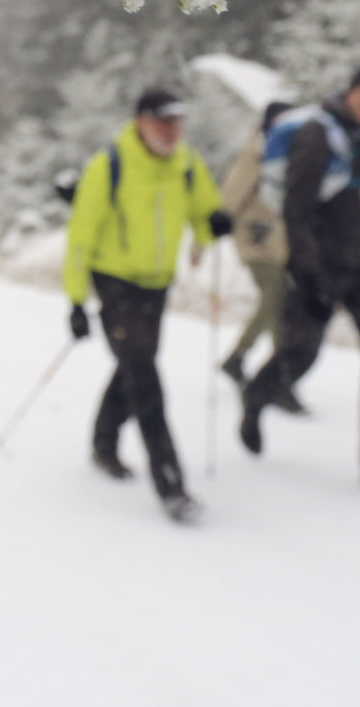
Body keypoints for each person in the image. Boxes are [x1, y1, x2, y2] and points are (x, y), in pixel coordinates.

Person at [238, 66, 360, 494]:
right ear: (351, 93)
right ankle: (256, 396)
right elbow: (297, 210)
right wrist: (309, 273)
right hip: (321, 266)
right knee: (299, 354)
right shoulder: (319, 136)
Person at [63, 86, 233, 524]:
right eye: (162, 120)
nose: (171, 130)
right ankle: (172, 485)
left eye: (176, 121)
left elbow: (204, 213)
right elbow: (80, 237)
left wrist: (215, 223)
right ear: (140, 121)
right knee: (145, 376)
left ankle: (103, 444)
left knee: (134, 366)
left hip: (156, 284)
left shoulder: (187, 166)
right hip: (114, 280)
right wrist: (77, 302)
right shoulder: (110, 166)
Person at [217, 100, 304, 415]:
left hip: (284, 245)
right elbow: (229, 198)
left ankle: (256, 366)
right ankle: (264, 370)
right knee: (276, 297)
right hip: (255, 242)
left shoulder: (295, 154)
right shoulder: (254, 155)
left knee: (282, 304)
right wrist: (206, 238)